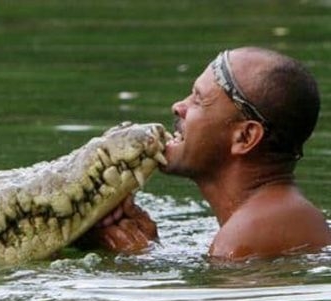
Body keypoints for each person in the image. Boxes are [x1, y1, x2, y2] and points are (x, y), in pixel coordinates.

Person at [90, 47, 331, 260]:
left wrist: (137, 261)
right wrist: (150, 249)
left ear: (245, 137)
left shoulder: (245, 237)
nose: (178, 106)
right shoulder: (274, 218)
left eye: (198, 100)